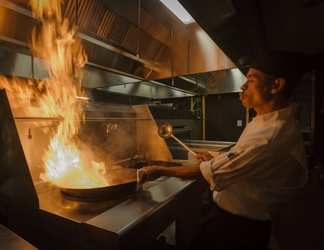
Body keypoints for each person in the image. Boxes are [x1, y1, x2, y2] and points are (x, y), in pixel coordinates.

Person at [141, 50, 309, 250]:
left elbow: (210, 172)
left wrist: (158, 170)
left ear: (276, 85)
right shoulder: (264, 122)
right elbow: (245, 161)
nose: (243, 86)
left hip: (240, 229)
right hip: (231, 219)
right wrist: (216, 159)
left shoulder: (272, 134)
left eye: (251, 80)